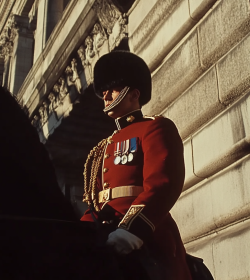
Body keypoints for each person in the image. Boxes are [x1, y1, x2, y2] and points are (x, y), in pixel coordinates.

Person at [81, 50, 192, 280]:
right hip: (105, 232)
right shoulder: (103, 147)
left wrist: (131, 230)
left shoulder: (155, 127)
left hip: (145, 235)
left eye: (112, 89)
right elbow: (96, 201)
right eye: (103, 91)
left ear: (133, 94)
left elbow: (163, 183)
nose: (106, 96)